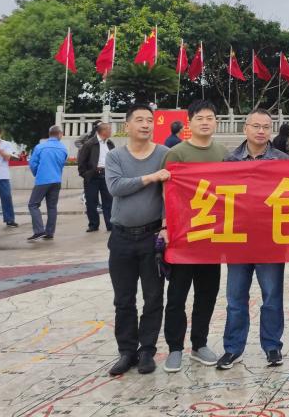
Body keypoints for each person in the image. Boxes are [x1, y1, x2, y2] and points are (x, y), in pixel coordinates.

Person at [218, 109, 289, 369]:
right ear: (245, 128)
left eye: (266, 127)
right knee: (236, 298)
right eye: (256, 126)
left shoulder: (282, 160)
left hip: (270, 239)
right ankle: (233, 348)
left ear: (271, 130)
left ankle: (272, 346)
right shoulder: (230, 161)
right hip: (238, 239)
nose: (261, 131)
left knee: (271, 296)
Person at [105, 103, 170, 376]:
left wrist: (166, 225)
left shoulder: (164, 154)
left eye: (149, 120)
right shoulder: (115, 156)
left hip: (151, 237)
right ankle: (126, 351)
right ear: (127, 125)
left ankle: (146, 351)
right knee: (123, 299)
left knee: (153, 297)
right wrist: (151, 177)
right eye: (140, 120)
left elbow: (171, 192)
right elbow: (115, 187)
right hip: (121, 237)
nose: (145, 125)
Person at [162, 99, 227, 371]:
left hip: (212, 236)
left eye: (210, 118)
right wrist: (165, 226)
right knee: (177, 295)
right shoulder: (176, 153)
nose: (205, 122)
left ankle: (199, 344)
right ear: (189, 122)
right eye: (200, 118)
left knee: (207, 293)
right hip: (183, 236)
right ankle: (175, 348)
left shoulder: (223, 153)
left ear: (216, 122)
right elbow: (166, 193)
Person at [26, 126, 68, 241]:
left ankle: (39, 230)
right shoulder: (63, 148)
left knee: (33, 205)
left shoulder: (40, 147)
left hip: (42, 180)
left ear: (50, 134)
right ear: (59, 134)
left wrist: (37, 173)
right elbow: (62, 163)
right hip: (56, 180)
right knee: (52, 207)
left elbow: (33, 163)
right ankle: (49, 232)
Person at [77, 122, 115, 232]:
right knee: (91, 201)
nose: (111, 131)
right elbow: (81, 161)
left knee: (108, 201)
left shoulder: (110, 144)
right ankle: (93, 224)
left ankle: (110, 224)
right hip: (92, 176)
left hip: (106, 175)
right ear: (103, 131)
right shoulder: (89, 144)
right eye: (109, 129)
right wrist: (85, 174)